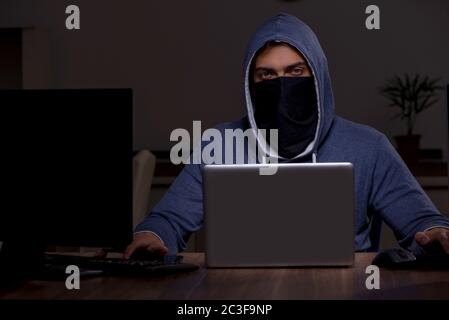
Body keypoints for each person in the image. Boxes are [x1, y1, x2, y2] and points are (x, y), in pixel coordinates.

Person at [124, 13, 449, 258]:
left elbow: (422, 220)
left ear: (317, 75)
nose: (282, 85)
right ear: (250, 84)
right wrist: (152, 237)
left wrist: (436, 235)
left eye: (295, 72)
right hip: (242, 295)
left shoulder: (369, 146)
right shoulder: (218, 144)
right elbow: (169, 218)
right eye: (266, 75)